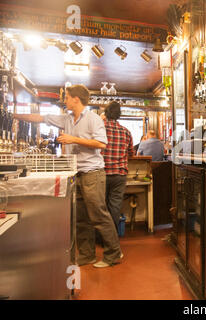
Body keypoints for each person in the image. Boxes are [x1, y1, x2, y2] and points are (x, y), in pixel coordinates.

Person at [14, 84, 122, 268]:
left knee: (98, 215)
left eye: (67, 97)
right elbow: (40, 117)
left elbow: (101, 144)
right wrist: (14, 115)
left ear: (76, 99)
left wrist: (73, 139)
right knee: (81, 218)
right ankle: (87, 255)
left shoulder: (93, 119)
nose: (64, 101)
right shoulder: (67, 119)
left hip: (93, 173)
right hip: (76, 173)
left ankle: (113, 254)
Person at [101, 101, 134, 231]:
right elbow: (131, 153)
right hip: (119, 174)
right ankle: (112, 236)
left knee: (101, 206)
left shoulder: (99, 129)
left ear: (106, 113)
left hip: (102, 173)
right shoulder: (126, 132)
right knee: (115, 206)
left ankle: (101, 236)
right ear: (119, 115)